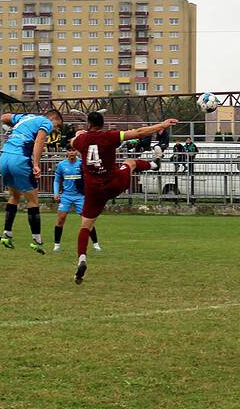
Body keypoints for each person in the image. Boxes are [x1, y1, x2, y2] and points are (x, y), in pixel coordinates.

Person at [71, 112, 176, 284]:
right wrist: (162, 126)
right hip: (113, 183)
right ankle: (155, 164)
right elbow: (139, 133)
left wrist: (78, 134)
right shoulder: (110, 136)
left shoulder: (81, 141)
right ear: (102, 124)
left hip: (93, 190)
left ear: (88, 124)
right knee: (130, 162)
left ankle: (82, 258)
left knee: (86, 226)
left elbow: (73, 142)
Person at [0, 109, 64, 253]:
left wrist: (15, 128)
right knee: (33, 200)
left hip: (4, 157)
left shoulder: (25, 117)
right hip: (19, 158)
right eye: (57, 126)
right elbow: (40, 140)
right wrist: (36, 164)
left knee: (14, 196)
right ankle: (37, 240)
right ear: (53, 118)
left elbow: (3, 117)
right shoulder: (45, 122)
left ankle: (7, 234)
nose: (55, 129)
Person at [52, 146, 101, 253]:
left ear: (77, 152)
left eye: (74, 150)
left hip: (80, 196)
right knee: (61, 219)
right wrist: (56, 193)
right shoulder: (61, 165)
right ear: (67, 152)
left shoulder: (82, 164)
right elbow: (56, 180)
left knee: (87, 221)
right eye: (69, 150)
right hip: (66, 196)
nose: (72, 152)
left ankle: (96, 245)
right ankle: (56, 245)